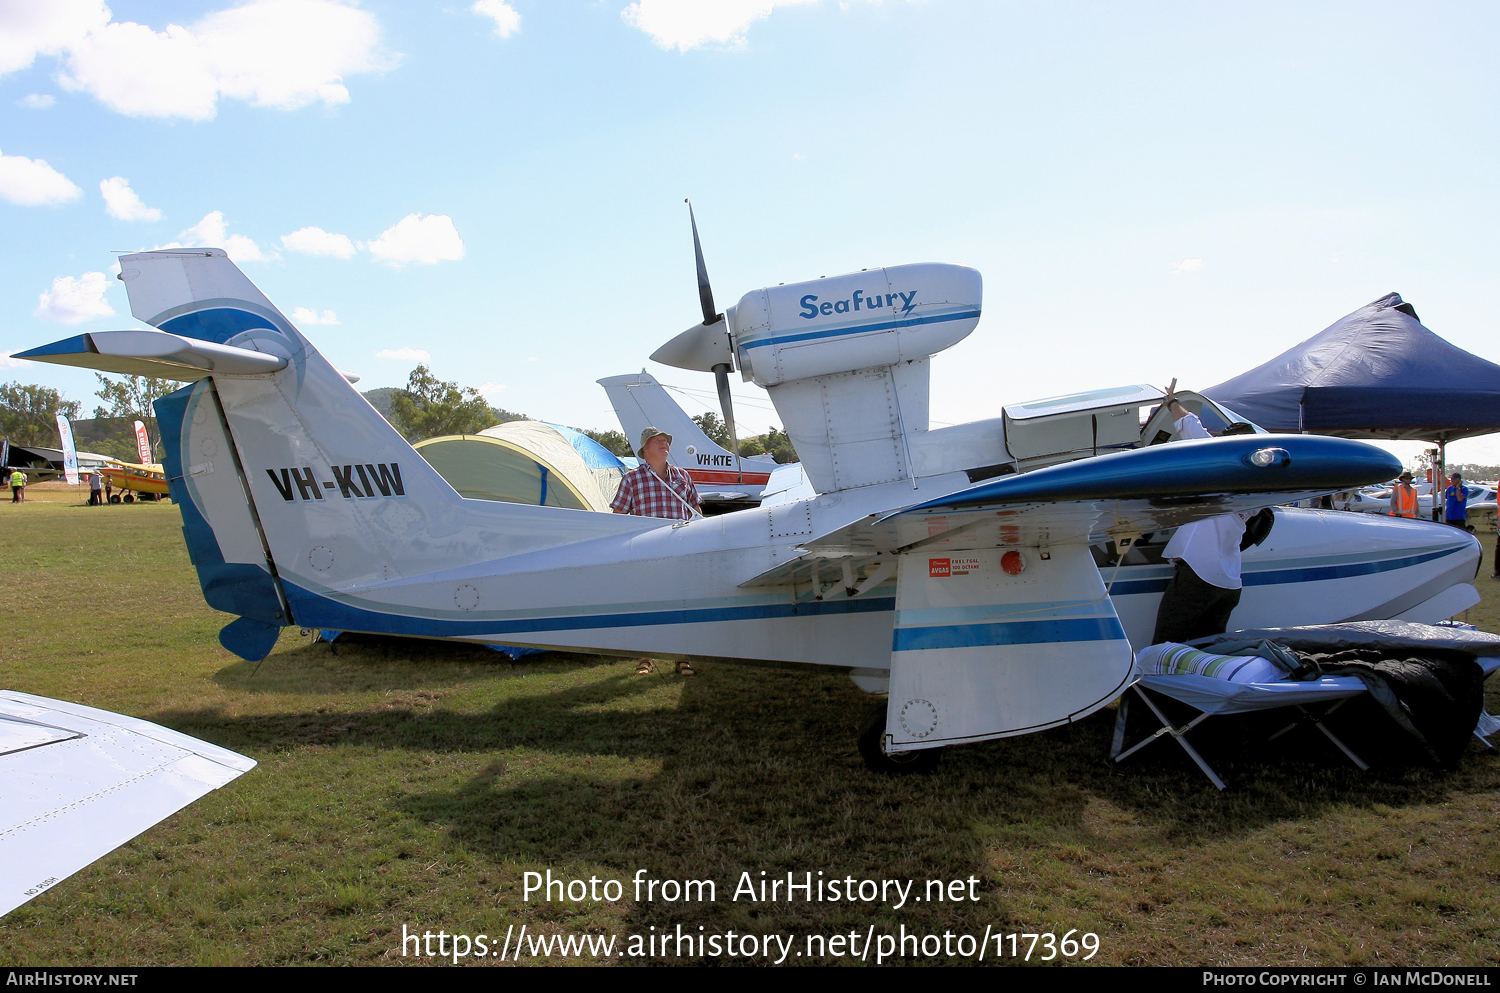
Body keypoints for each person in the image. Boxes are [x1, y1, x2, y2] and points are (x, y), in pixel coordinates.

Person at [1149, 394, 1268, 645]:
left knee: (1165, 645)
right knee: (1207, 649)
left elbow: (1190, 426)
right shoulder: (1259, 490)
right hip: (1229, 581)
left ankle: (1154, 684)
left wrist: (1171, 402)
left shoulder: (1222, 474)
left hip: (1198, 577)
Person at [610, 426, 702, 676]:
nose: (664, 444)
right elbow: (618, 517)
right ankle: (646, 658)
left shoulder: (683, 475)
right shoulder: (632, 478)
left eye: (666, 440)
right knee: (647, 604)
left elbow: (696, 511)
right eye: (658, 441)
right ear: (645, 450)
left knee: (682, 604)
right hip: (647, 552)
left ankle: (682, 658)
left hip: (681, 549)